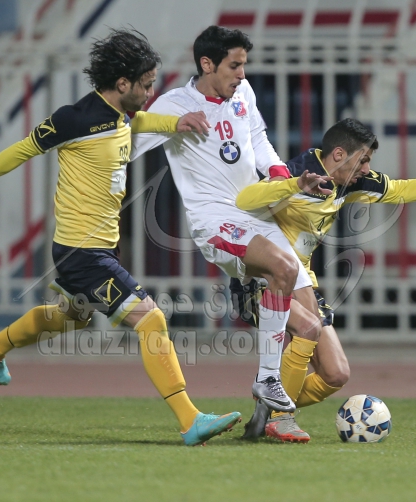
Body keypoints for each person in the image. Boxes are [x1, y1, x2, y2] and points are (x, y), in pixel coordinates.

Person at [0, 28, 241, 447]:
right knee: (151, 319)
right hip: (81, 250)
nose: (151, 93)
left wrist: (176, 122)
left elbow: (139, 122)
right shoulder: (75, 119)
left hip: (99, 247)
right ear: (123, 84)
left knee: (71, 316)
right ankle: (190, 420)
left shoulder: (121, 115)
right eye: (147, 85)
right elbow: (20, 150)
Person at [232, 117, 416, 441]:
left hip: (303, 281)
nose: (367, 169)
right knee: (308, 328)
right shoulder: (297, 173)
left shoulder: (351, 183)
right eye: (363, 160)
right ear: (339, 154)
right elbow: (245, 201)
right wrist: (292, 187)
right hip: (262, 281)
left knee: (335, 374)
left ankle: (268, 406)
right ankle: (281, 417)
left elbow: (401, 189)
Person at [131, 25, 332, 418]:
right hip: (215, 220)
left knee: (312, 326)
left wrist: (279, 175)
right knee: (284, 267)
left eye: (244, 65)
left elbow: (257, 139)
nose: (242, 74)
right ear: (207, 64)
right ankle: (269, 380)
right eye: (234, 66)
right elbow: (126, 144)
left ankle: (269, 416)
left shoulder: (243, 93)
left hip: (256, 215)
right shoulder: (173, 105)